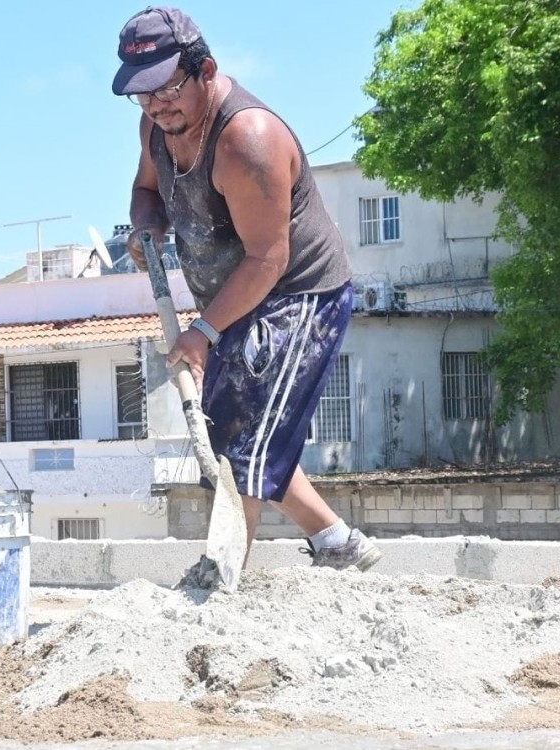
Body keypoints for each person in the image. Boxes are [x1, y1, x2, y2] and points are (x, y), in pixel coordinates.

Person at [113, 6, 381, 572]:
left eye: (167, 89)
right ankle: (339, 546)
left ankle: (221, 570)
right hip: (233, 295)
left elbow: (269, 257)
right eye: (143, 96)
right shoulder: (156, 128)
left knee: (242, 437)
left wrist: (202, 333)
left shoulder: (246, 140)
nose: (158, 106)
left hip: (297, 293)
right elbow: (145, 192)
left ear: (205, 69)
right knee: (238, 428)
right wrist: (145, 225)